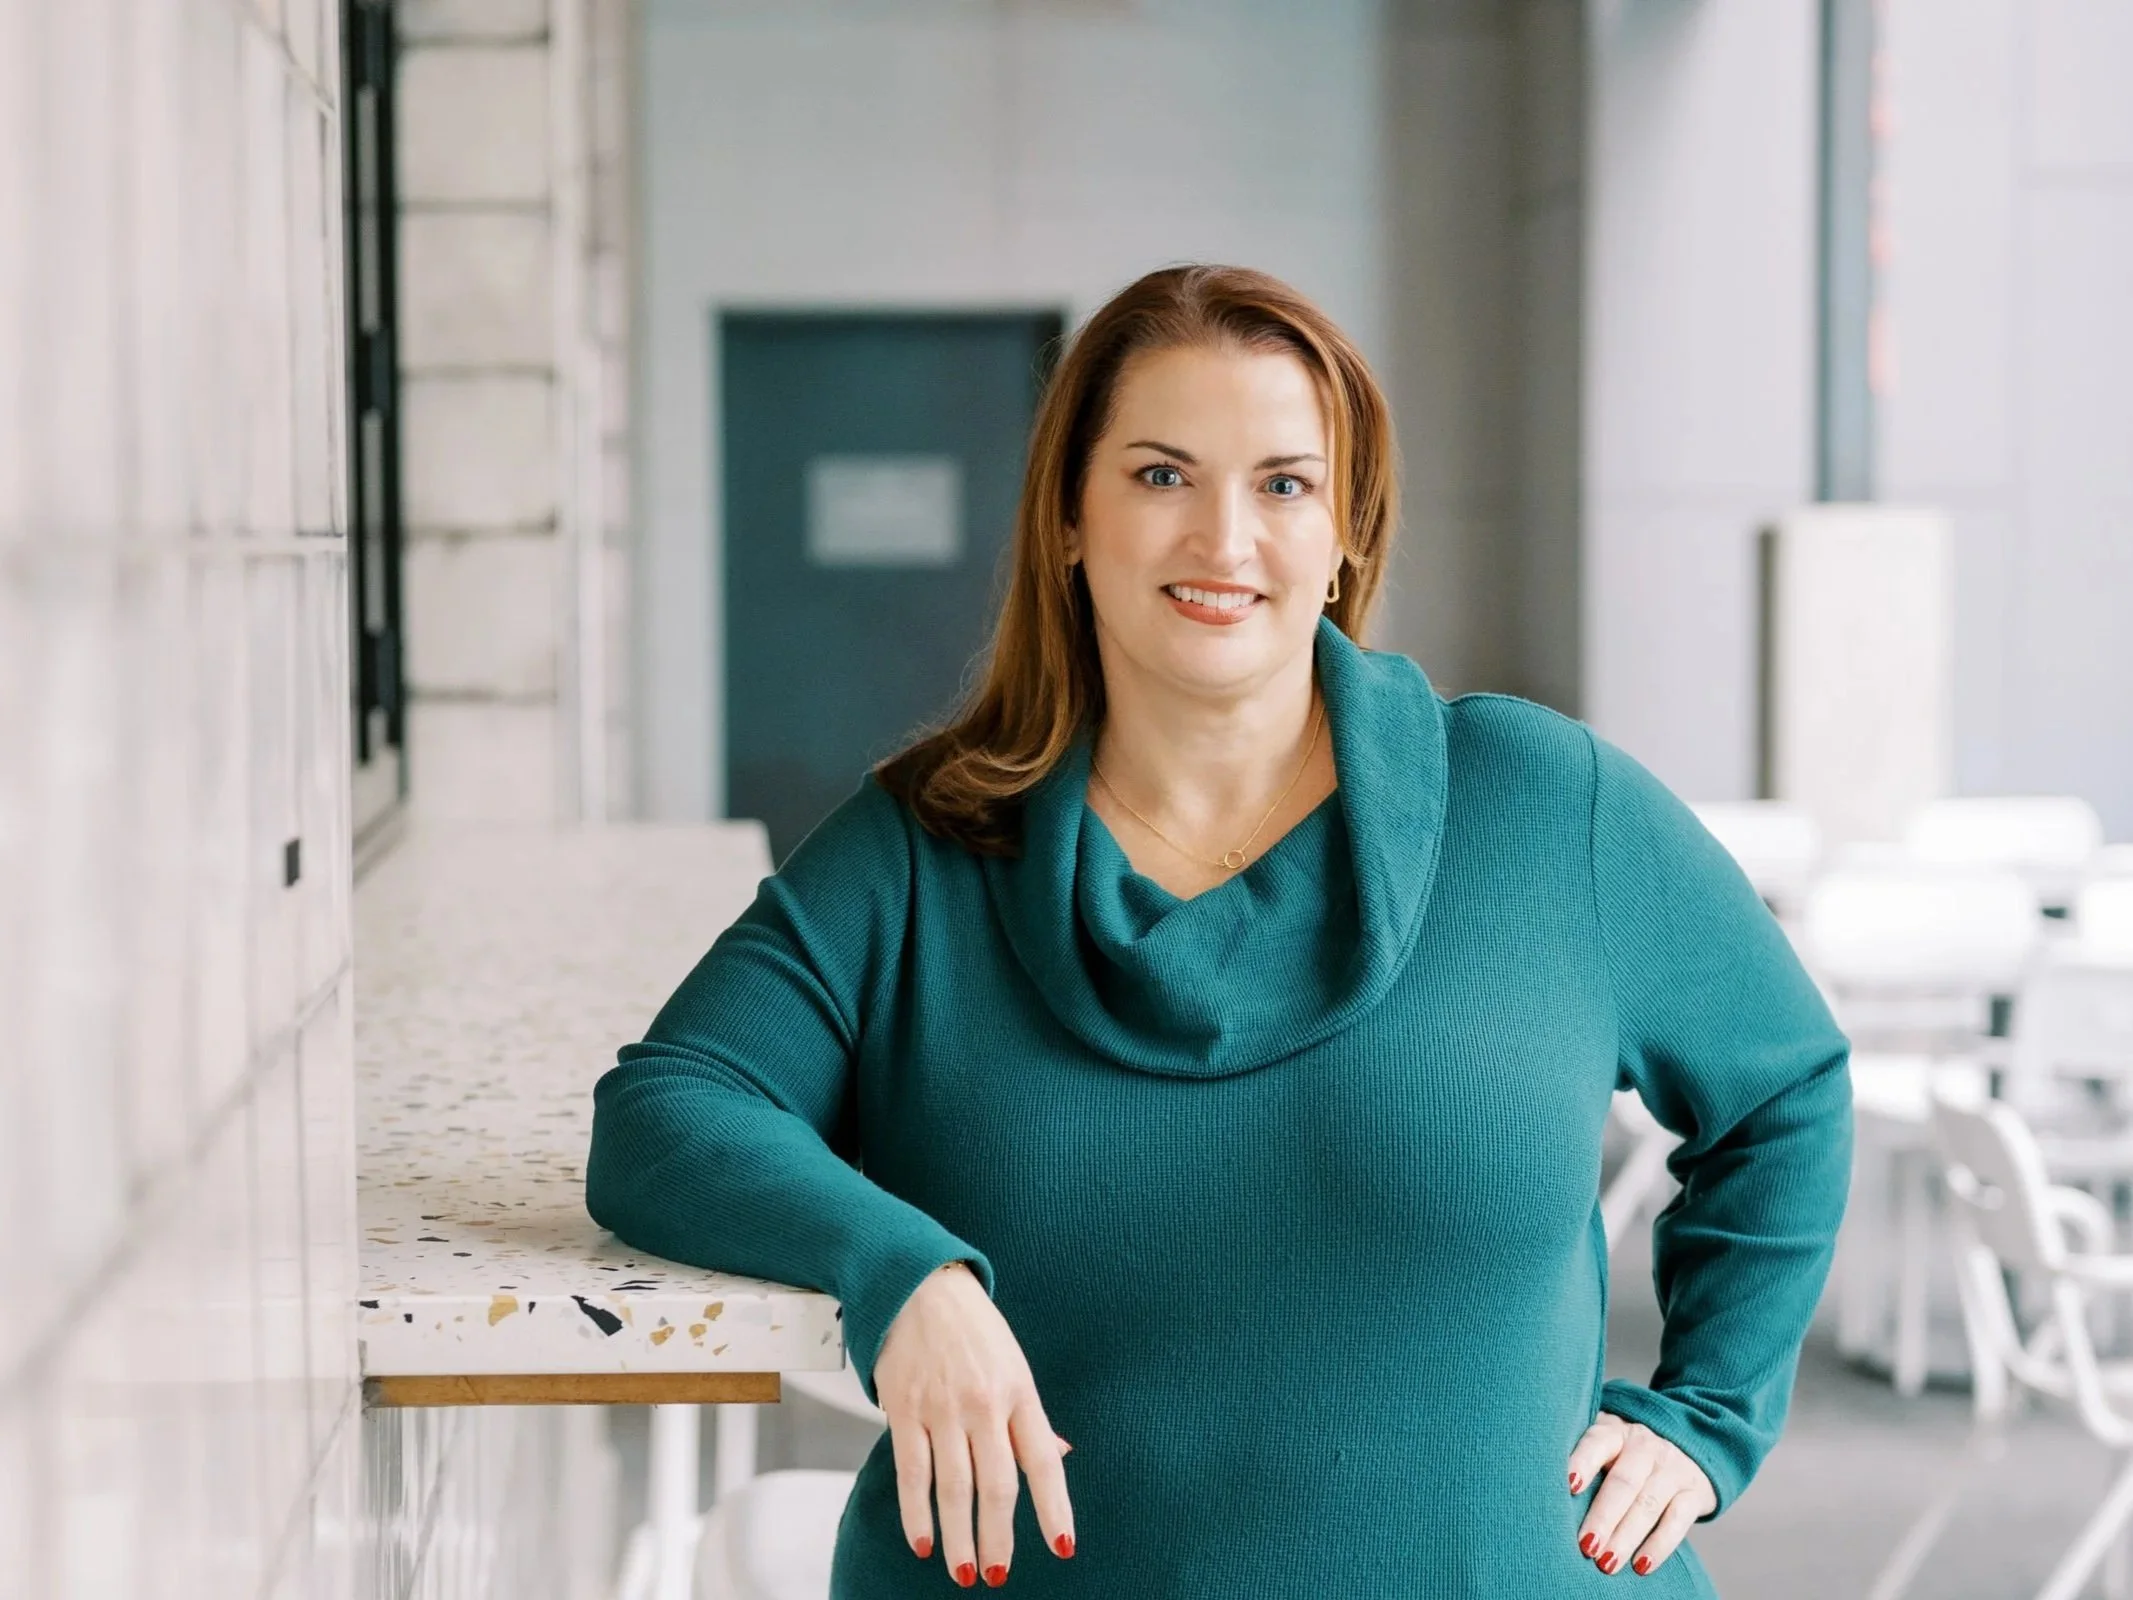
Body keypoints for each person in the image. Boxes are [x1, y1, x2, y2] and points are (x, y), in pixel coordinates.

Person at [586, 263, 1852, 1597]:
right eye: (1159, 476)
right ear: (1069, 517)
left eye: (1283, 484)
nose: (1224, 539)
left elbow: (1787, 1091)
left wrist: (1707, 1418)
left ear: (1348, 528)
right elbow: (668, 1111)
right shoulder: (930, 848)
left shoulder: (1539, 805)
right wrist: (901, 1272)